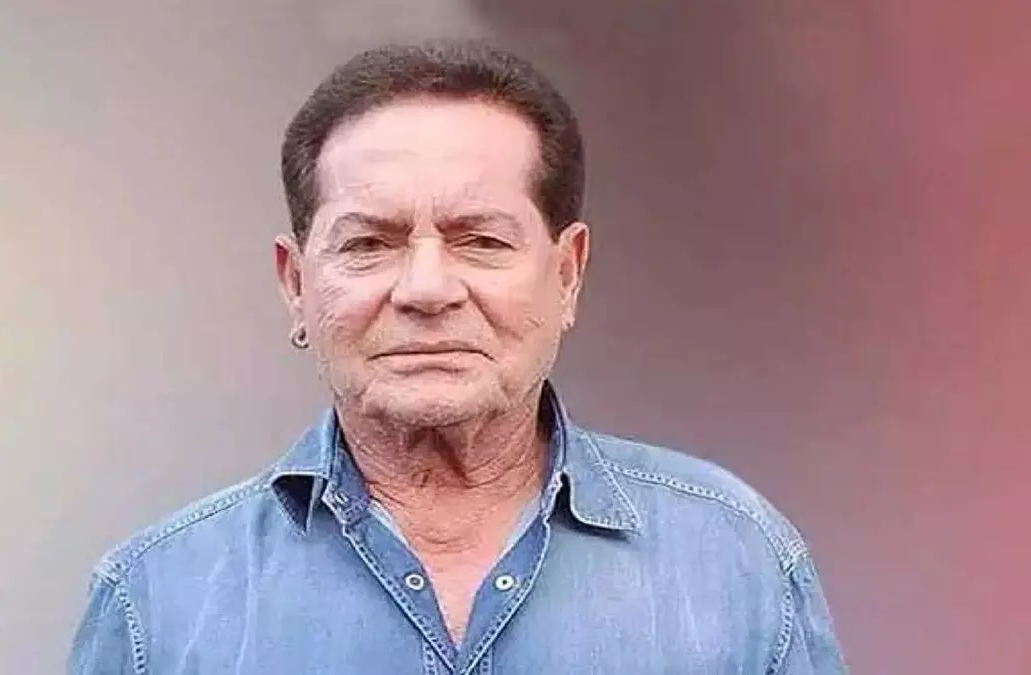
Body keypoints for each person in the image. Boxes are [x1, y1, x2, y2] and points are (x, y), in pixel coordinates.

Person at [68, 39, 845, 674]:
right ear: (295, 284)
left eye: (480, 240)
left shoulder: (735, 562)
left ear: (567, 274)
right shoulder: (157, 603)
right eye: (369, 244)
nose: (427, 288)